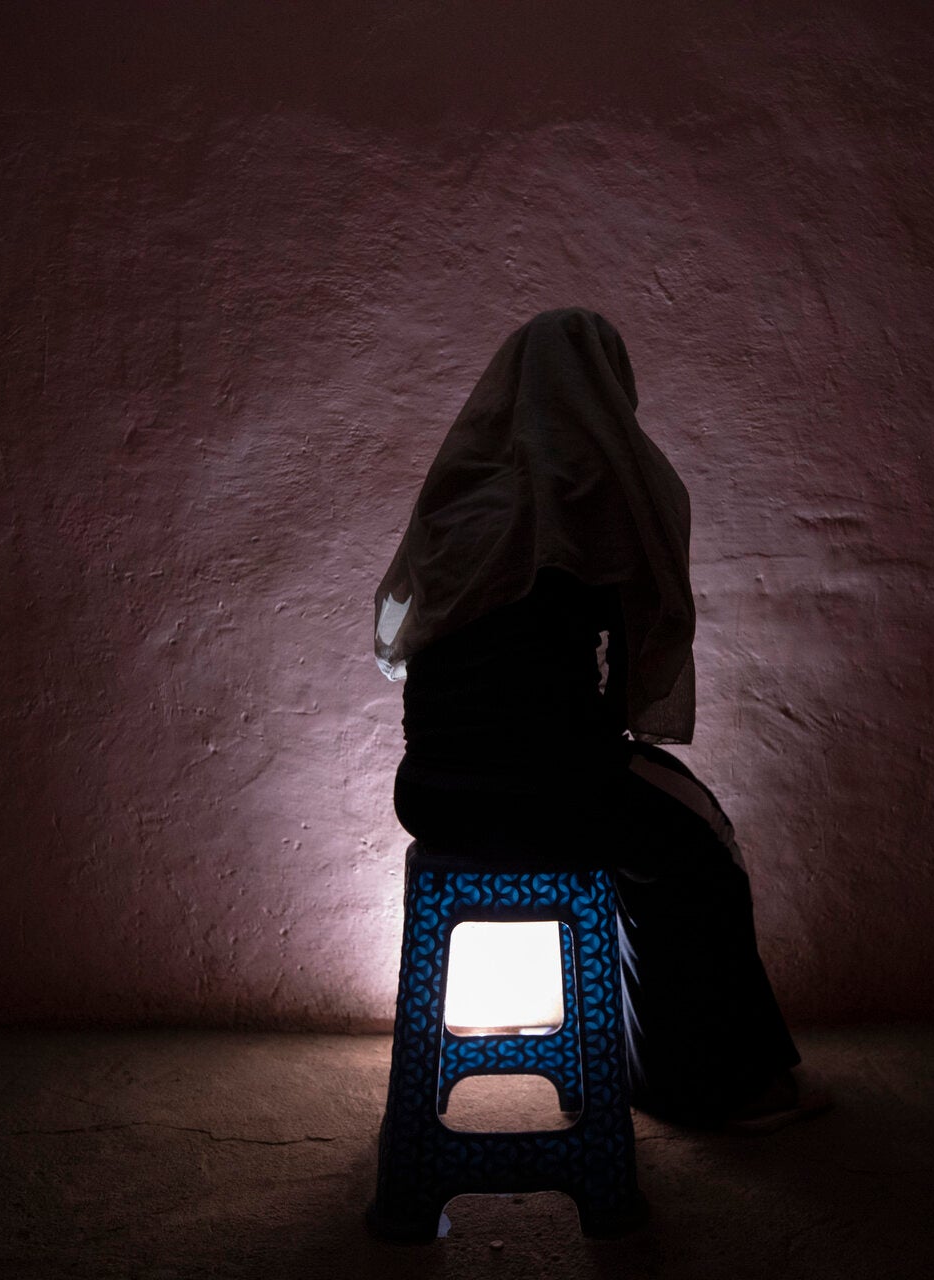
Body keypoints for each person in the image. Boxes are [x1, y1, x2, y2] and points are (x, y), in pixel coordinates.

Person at [373, 307, 828, 1130]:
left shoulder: (458, 494)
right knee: (696, 848)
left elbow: (414, 647)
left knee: (667, 823)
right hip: (550, 793)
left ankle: (661, 1064)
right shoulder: (592, 494)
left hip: (432, 793)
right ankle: (705, 1084)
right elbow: (614, 686)